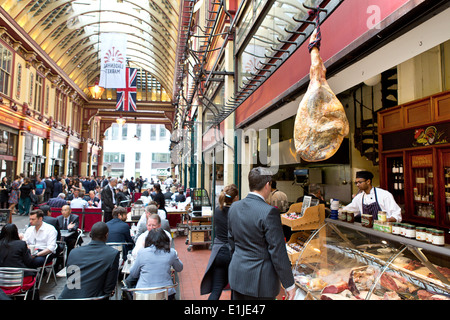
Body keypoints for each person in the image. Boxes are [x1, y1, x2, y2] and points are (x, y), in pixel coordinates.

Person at [228, 167, 296, 300]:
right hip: (260, 282)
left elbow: (231, 242)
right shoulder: (269, 212)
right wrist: (289, 284)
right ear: (267, 185)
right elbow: (278, 252)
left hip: (237, 274)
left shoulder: (234, 207)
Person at [59, 222, 120, 299]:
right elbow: (108, 289)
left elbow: (72, 282)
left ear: (90, 234)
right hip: (94, 297)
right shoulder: (112, 254)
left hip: (68, 297)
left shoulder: (74, 252)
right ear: (107, 235)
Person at [201, 184, 239, 300]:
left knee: (216, 289)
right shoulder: (236, 212)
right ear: (236, 198)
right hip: (232, 254)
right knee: (235, 289)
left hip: (218, 254)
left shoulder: (218, 210)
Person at [126, 228, 183, 300]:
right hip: (166, 293)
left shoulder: (142, 252)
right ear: (166, 240)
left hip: (144, 294)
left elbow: (133, 274)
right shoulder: (171, 253)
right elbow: (179, 268)